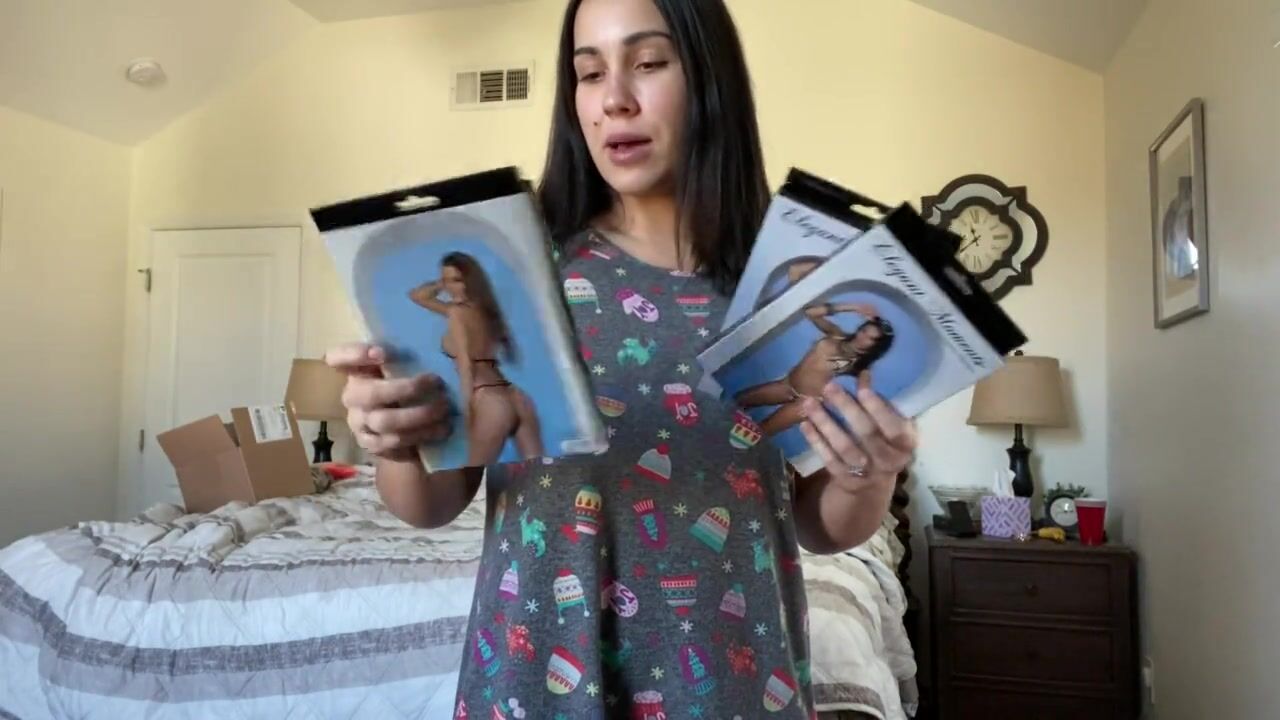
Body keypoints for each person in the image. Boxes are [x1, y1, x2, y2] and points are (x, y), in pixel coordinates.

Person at [325, 0, 918, 716]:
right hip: (535, 680)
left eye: (648, 62)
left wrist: (870, 472)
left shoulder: (779, 284)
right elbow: (432, 504)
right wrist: (393, 445)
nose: (614, 99)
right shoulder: (524, 272)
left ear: (709, 78)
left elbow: (820, 525)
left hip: (735, 680)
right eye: (589, 73)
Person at [407, 252, 544, 467]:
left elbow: (465, 363)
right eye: (445, 280)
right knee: (543, 473)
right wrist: (444, 283)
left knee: (471, 477)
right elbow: (417, 296)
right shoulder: (486, 311)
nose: (449, 287)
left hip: (488, 398)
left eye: (457, 280)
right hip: (517, 398)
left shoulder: (457, 313)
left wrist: (468, 409)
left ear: (470, 281)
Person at [735, 298, 895, 437]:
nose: (863, 337)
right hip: (787, 385)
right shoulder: (837, 334)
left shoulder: (862, 367)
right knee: (740, 400)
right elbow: (811, 312)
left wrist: (825, 405)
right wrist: (853, 307)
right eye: (864, 330)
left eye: (870, 338)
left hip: (805, 403)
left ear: (876, 345)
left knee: (758, 432)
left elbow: (864, 397)